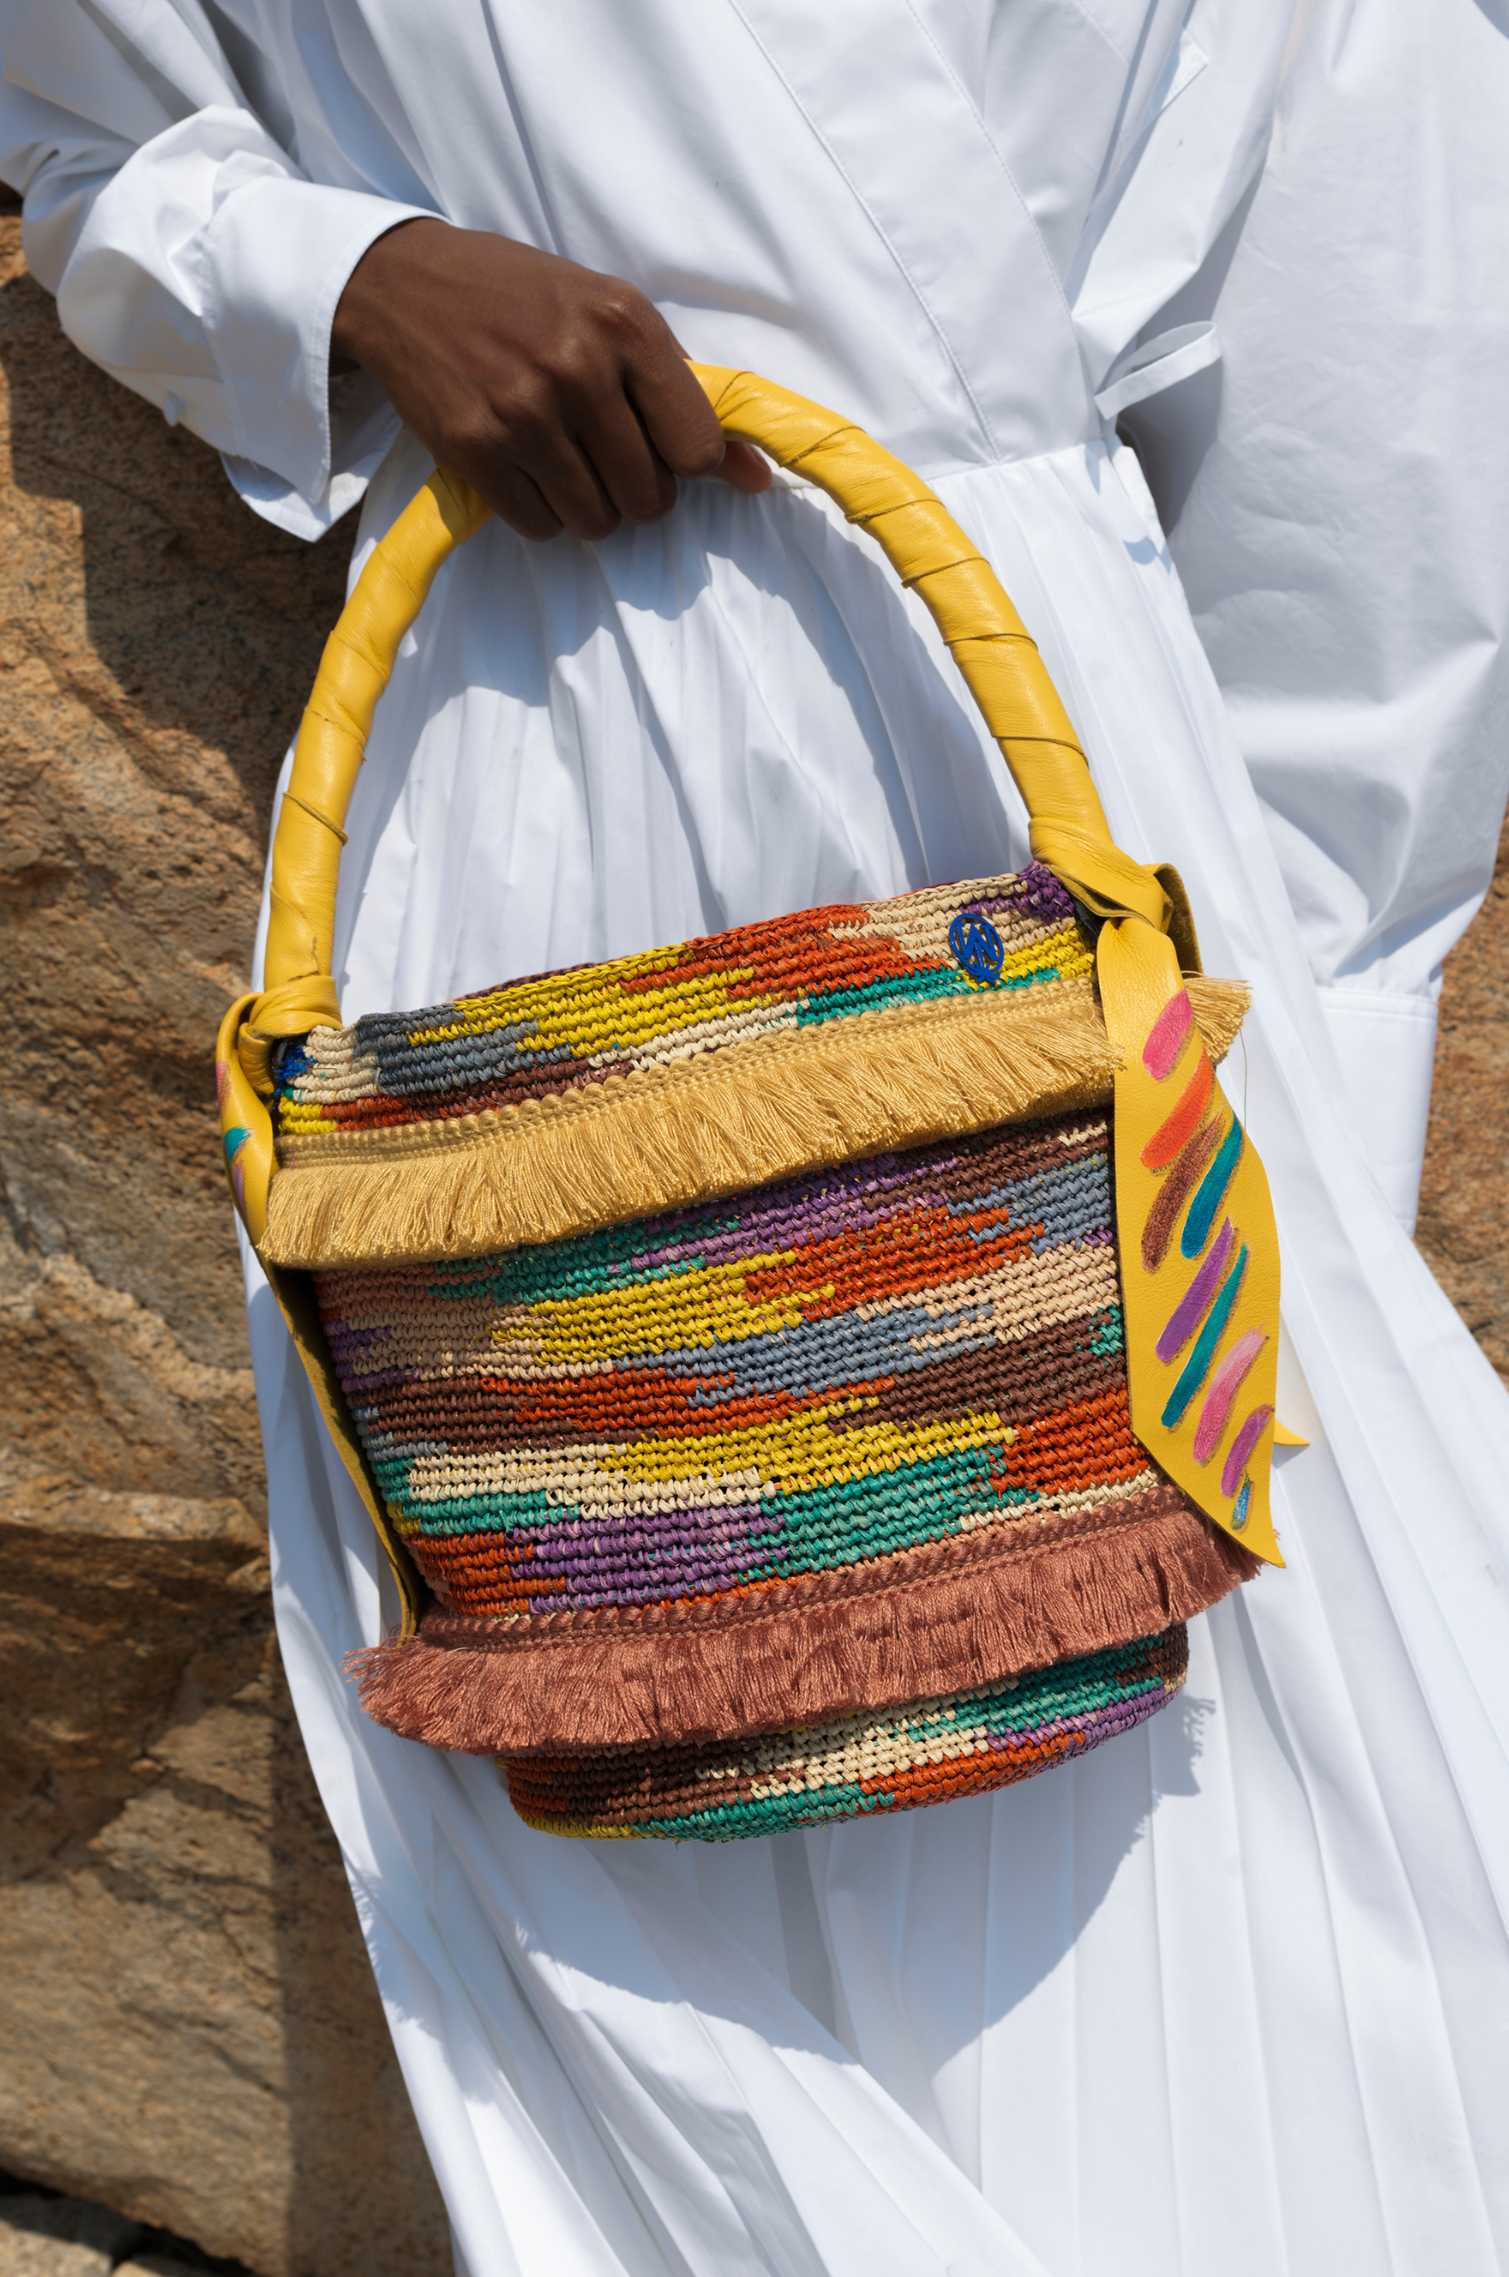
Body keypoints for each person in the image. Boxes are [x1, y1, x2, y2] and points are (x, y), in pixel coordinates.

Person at [5, 5, 1509, 2272]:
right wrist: (346, 271)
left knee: (1296, 1843)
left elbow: (1368, 434)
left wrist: (1275, 1104)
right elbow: (91, 138)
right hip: (535, 751)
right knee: (631, 1671)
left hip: (1049, 768)